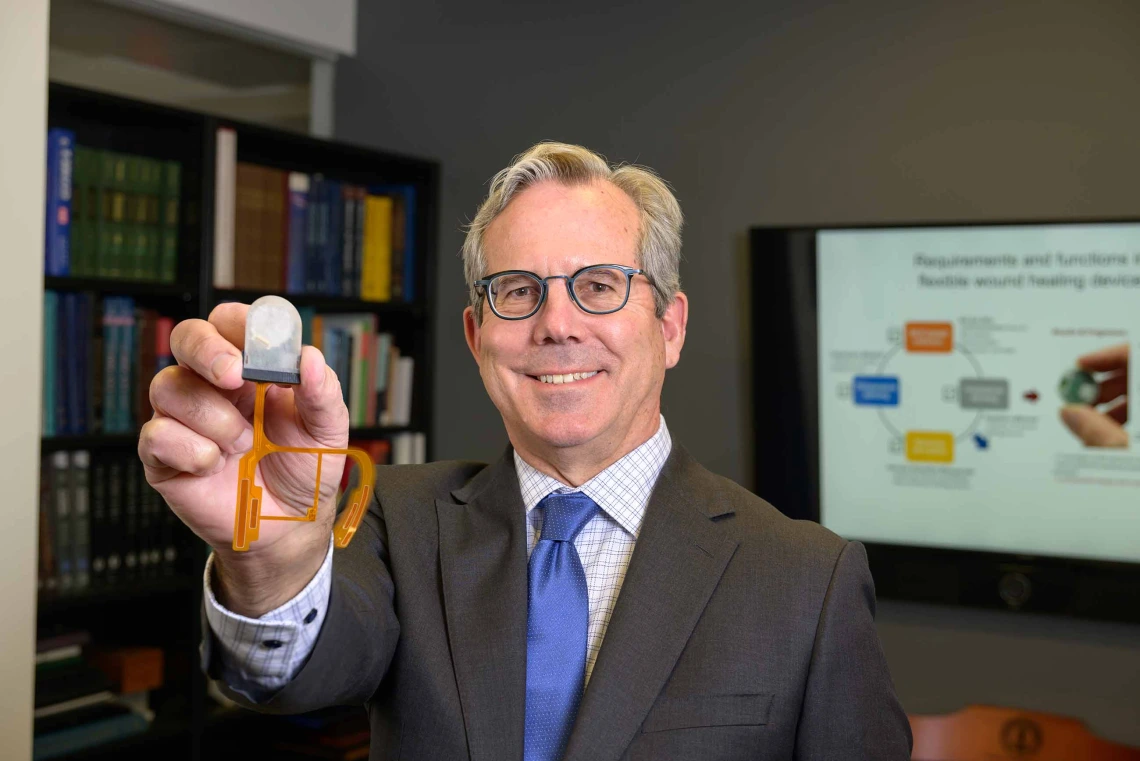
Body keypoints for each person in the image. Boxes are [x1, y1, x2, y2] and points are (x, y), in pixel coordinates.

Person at [140, 142, 912, 760]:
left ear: (669, 327)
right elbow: (296, 677)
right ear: (478, 338)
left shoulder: (807, 578)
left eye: (600, 285)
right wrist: (271, 560)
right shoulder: (397, 519)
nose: (557, 324)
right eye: (517, 290)